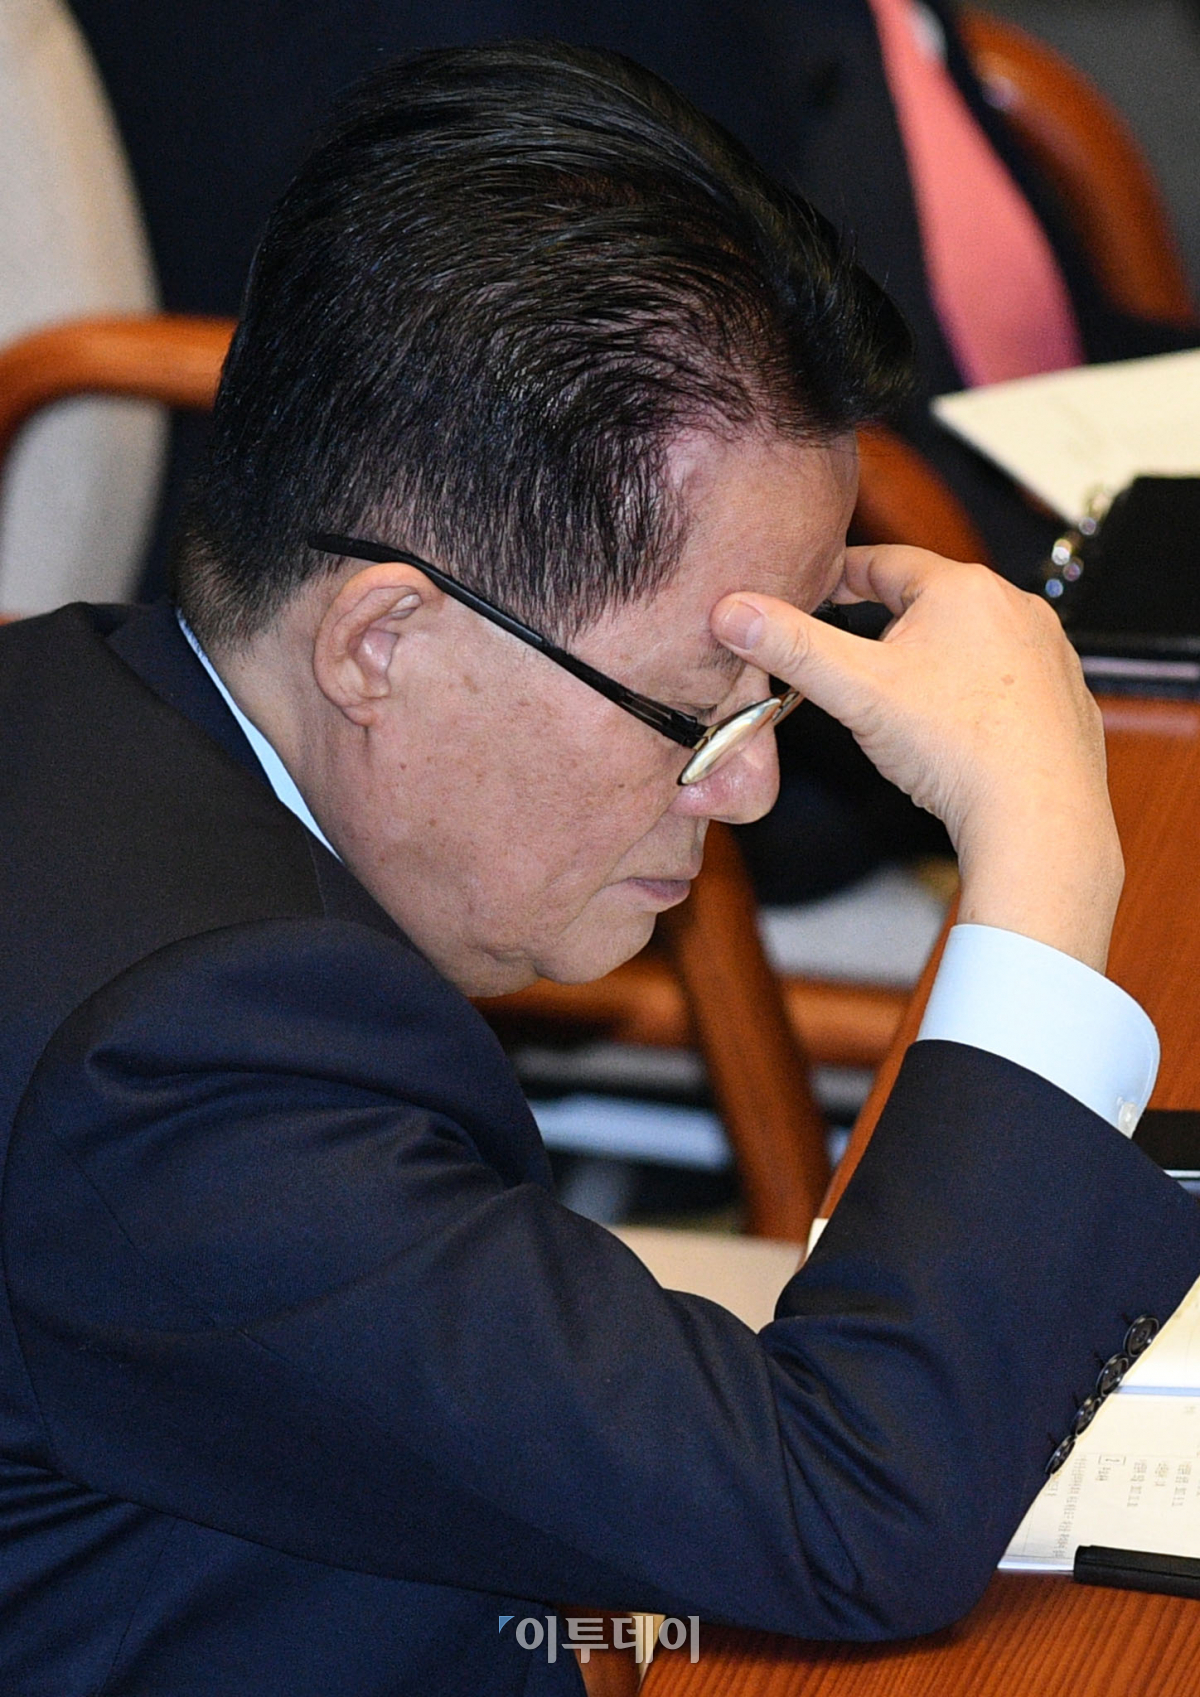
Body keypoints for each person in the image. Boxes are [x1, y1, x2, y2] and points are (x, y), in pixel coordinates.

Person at [1, 44, 1197, 1696]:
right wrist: (1049, 851)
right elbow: (847, 1511)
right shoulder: (182, 1069)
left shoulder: (76, 697)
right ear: (384, 641)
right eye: (698, 708)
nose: (753, 782)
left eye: (772, 696)